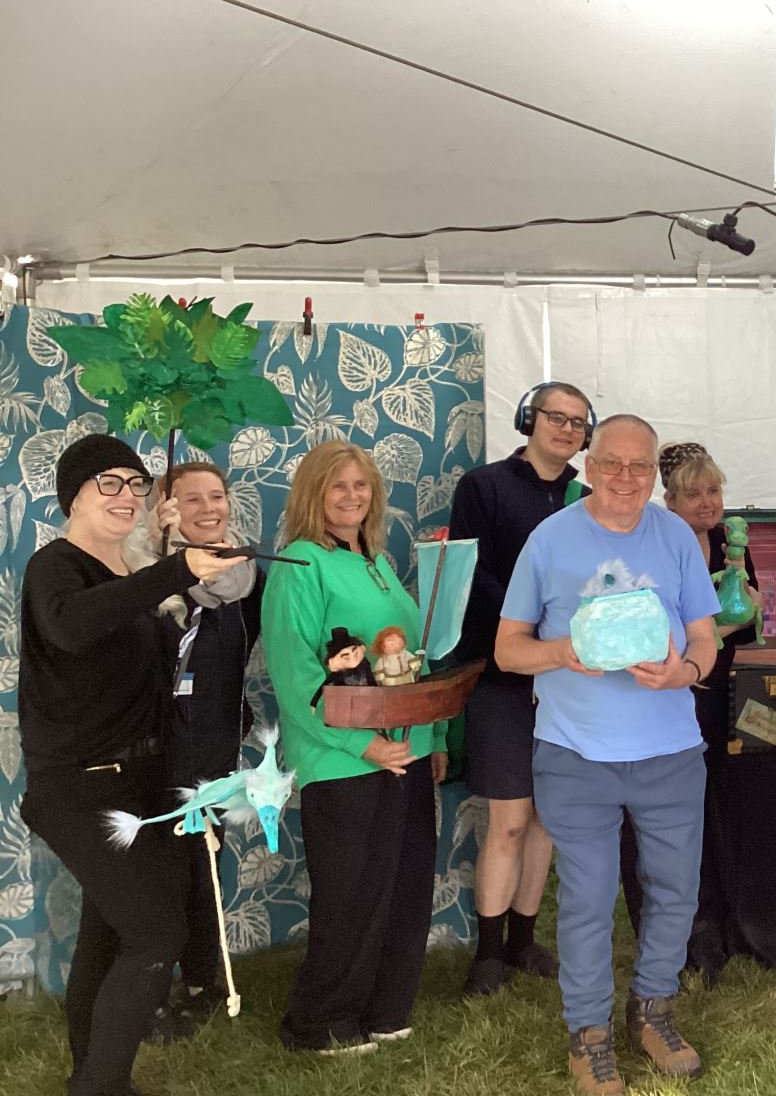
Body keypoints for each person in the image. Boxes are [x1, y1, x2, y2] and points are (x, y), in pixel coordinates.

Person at [496, 414, 720, 1096]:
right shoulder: (550, 539)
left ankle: (654, 1009)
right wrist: (563, 652)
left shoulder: (677, 535)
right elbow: (509, 650)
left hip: (671, 752)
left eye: (640, 467)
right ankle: (588, 1034)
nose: (626, 478)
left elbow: (705, 643)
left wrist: (683, 672)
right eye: (613, 464)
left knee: (675, 890)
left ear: (655, 474)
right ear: (589, 466)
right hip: (575, 753)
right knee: (590, 898)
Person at [19, 434, 247, 1096]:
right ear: (74, 495)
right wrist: (176, 572)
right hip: (79, 789)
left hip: (144, 785)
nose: (125, 495)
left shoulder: (133, 577)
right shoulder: (55, 568)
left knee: (107, 937)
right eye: (107, 483)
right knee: (154, 934)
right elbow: (70, 625)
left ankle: (90, 1078)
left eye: (136, 483)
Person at [261, 440, 449, 1054]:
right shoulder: (299, 565)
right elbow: (296, 676)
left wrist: (435, 736)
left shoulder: (380, 561)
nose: (351, 497)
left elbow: (409, 662)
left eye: (361, 486)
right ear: (314, 494)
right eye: (337, 486)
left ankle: (385, 1010)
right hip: (346, 762)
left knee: (403, 889)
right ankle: (318, 1023)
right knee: (351, 896)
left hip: (409, 756)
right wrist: (367, 746)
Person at [449, 381, 592, 996]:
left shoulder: (590, 497)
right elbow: (470, 573)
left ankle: (525, 939)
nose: (565, 429)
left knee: (549, 820)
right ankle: (487, 953)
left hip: (571, 680)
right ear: (528, 420)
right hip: (506, 675)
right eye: (555, 417)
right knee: (508, 819)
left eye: (578, 422)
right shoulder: (482, 488)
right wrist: (528, 635)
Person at [617, 443, 760, 987]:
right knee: (660, 825)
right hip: (668, 698)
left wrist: (750, 606)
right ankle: (679, 937)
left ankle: (725, 926)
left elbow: (749, 624)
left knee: (716, 816)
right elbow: (657, 631)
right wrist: (715, 631)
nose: (708, 503)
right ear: (668, 499)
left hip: (722, 693)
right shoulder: (649, 546)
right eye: (694, 493)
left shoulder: (731, 545)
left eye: (714, 491)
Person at [132, 461, 265, 1039]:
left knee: (204, 863)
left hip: (214, 746)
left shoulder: (243, 577)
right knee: (159, 874)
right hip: (157, 749)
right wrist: (163, 569)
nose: (210, 508)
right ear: (165, 508)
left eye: (218, 496)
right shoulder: (140, 574)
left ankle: (203, 982)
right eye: (193, 500)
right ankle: (148, 997)